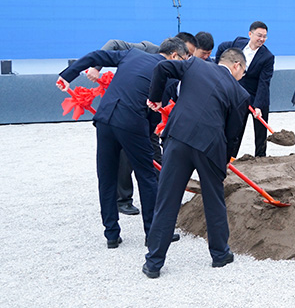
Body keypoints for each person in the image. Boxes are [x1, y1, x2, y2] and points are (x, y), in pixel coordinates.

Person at [56, 37, 189, 249]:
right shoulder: (168, 75)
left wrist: (67, 76)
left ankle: (111, 234)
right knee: (146, 177)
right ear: (174, 55)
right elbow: (155, 112)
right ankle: (153, 233)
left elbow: (96, 55)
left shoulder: (133, 54)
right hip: (131, 122)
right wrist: (147, 135)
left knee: (107, 177)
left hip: (105, 118)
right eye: (184, 59)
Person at [142, 48, 250, 278]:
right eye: (243, 73)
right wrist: (224, 160)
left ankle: (154, 262)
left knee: (167, 200)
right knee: (214, 201)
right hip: (210, 147)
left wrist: (155, 98)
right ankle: (220, 254)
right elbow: (233, 134)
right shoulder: (240, 93)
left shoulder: (195, 65)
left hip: (178, 137)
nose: (241, 78)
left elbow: (162, 67)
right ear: (237, 66)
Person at [86, 39, 159, 217]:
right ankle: (123, 199)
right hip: (130, 115)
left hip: (150, 116)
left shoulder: (187, 65)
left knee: (155, 155)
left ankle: (159, 198)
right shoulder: (147, 50)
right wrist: (96, 67)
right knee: (125, 157)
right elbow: (113, 44)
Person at [215, 21, 274, 157]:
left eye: (264, 36)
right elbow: (222, 47)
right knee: (236, 129)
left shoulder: (267, 57)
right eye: (259, 35)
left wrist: (258, 106)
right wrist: (219, 67)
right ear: (250, 34)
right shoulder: (238, 42)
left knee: (260, 132)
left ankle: (261, 158)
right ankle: (230, 157)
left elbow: (264, 83)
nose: (262, 39)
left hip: (257, 95)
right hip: (238, 96)